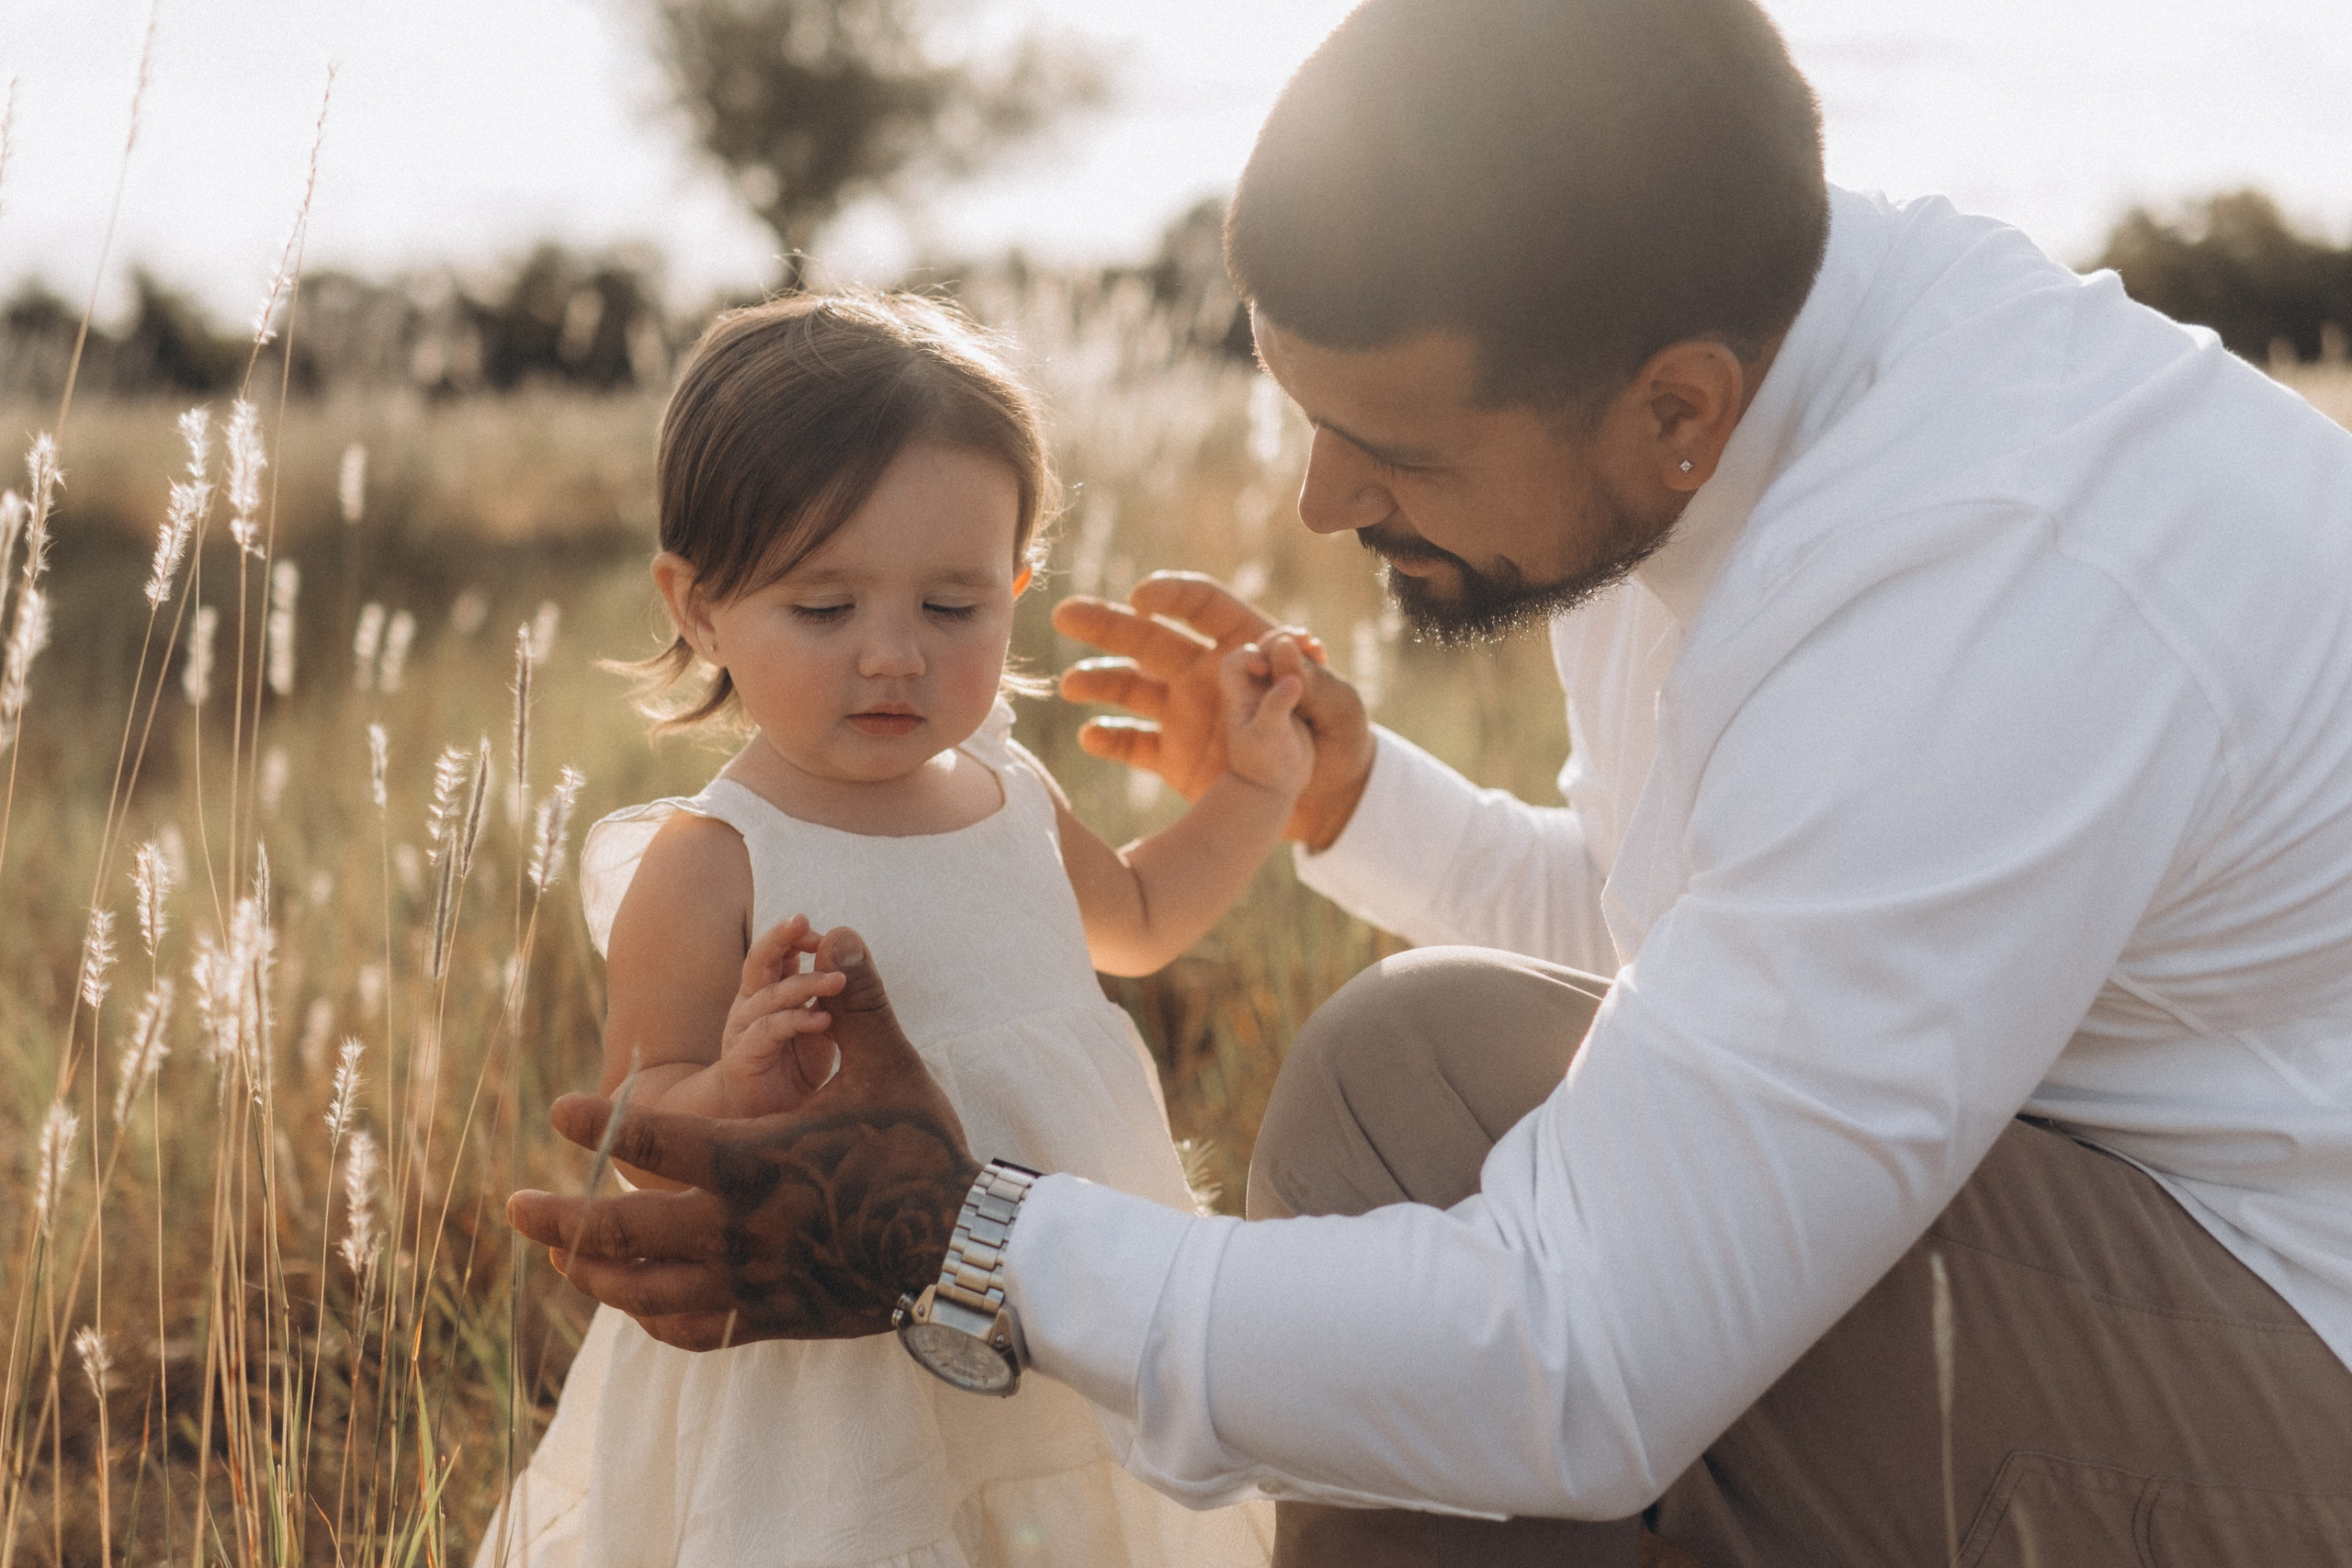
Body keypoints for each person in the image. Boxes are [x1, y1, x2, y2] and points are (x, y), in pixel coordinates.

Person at [508, 3, 2352, 1564]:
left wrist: (963, 1237)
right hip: (2137, 1208)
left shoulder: (1982, 583)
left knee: (1435, 1174)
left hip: (2294, 1348)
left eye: (1380, 445)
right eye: (1304, 416)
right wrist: (1346, 800)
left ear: (1672, 404)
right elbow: (1708, 936)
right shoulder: (1739, 390)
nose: (1319, 502)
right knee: (1420, 1063)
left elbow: (1584, 1355)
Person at [478, 292, 1289, 1568]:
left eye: (954, 608)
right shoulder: (714, 859)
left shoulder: (1012, 789)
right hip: (833, 1370)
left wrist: (1255, 790)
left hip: (1053, 1308)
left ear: (1017, 585)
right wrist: (737, 1087)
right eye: (825, 609)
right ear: (698, 607)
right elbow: (637, 1129)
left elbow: (1133, 922)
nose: (896, 657)